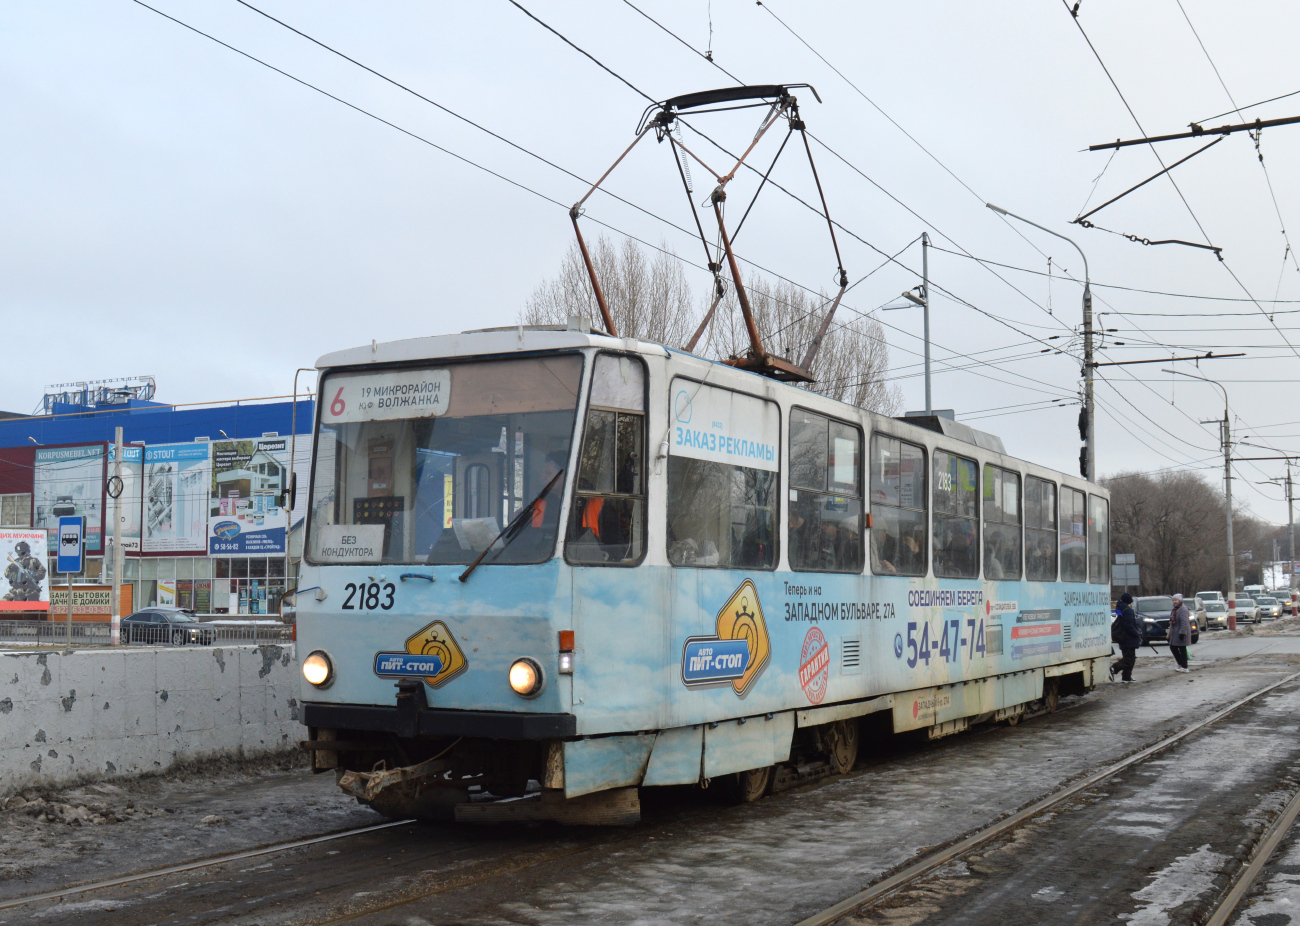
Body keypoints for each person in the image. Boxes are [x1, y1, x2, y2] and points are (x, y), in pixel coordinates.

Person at [1110, 592, 1142, 682]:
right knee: (1129, 659)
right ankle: (1113, 669)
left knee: (1129, 658)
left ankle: (1126, 677)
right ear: (1129, 601)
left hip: (1122, 637)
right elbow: (1128, 625)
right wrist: (1136, 633)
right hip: (1129, 638)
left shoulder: (1119, 608)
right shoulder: (1128, 610)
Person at [1168, 593, 1192, 673]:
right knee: (1173, 647)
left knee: (1182, 649)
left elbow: (1184, 622)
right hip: (1175, 632)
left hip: (1181, 632)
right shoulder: (1175, 609)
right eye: (1173, 600)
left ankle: (1185, 666)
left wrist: (1182, 632)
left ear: (1180, 600)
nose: (1174, 602)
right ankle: (1180, 664)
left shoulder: (1183, 609)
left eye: (1176, 600)